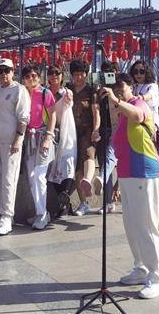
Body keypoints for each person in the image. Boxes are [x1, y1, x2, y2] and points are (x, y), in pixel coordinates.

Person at [100, 73, 159, 299]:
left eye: (121, 85)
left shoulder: (138, 104)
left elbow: (138, 116)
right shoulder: (120, 114)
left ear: (131, 87)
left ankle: (158, 277)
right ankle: (141, 268)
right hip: (128, 175)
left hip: (145, 173)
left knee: (146, 225)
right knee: (131, 225)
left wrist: (116, 100)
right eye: (113, 86)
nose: (117, 89)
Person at [0, 58, 30, 236]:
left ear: (13, 72)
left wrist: (18, 138)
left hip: (11, 142)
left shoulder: (19, 90)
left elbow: (23, 117)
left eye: (7, 70)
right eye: (0, 71)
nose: (4, 74)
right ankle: (4, 215)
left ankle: (7, 216)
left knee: (8, 179)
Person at [20, 65, 57, 230]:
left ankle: (42, 214)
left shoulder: (45, 93)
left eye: (34, 75)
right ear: (23, 79)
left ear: (39, 77)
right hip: (29, 138)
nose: (31, 78)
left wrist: (48, 136)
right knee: (31, 177)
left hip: (42, 137)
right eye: (28, 76)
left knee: (39, 176)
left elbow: (53, 115)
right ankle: (41, 212)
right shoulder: (22, 94)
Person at [66, 59, 100, 216]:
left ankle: (88, 179)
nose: (78, 78)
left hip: (88, 130)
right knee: (76, 168)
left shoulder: (91, 91)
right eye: (76, 75)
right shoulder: (68, 89)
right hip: (71, 131)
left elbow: (96, 112)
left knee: (88, 153)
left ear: (86, 75)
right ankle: (83, 203)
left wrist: (96, 129)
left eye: (81, 74)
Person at [45, 66, 77, 218]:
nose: (54, 76)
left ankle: (65, 199)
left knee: (68, 164)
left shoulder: (67, 92)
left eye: (57, 73)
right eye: (51, 73)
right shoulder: (45, 93)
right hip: (50, 132)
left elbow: (69, 102)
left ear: (62, 76)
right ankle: (65, 203)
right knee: (51, 168)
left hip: (66, 132)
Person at [97, 60, 120, 214]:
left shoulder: (119, 89)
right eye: (105, 73)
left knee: (110, 161)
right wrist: (98, 95)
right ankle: (108, 202)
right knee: (105, 164)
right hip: (103, 129)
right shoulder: (100, 90)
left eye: (110, 73)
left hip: (116, 129)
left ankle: (113, 198)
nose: (108, 76)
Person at [130, 60, 159, 131]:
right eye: (135, 72)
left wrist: (141, 98)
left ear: (147, 72)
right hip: (137, 123)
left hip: (150, 125)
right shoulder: (133, 87)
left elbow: (150, 95)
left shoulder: (152, 86)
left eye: (142, 71)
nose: (138, 74)